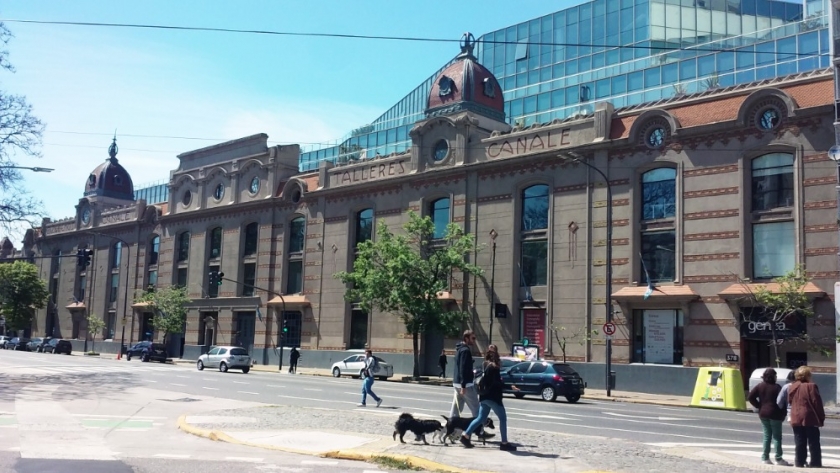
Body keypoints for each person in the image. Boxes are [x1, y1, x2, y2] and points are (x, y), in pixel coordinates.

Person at [460, 351, 517, 451]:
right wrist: (509, 387)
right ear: (496, 358)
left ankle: (465, 436)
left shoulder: (484, 366)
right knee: (503, 418)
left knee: (481, 418)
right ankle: (504, 443)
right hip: (493, 398)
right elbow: (497, 384)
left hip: (484, 396)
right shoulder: (494, 368)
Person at [449, 330, 493, 439]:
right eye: (473, 338)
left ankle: (452, 432)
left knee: (456, 410)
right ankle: (480, 432)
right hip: (466, 385)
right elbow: (463, 368)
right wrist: (464, 385)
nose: (474, 340)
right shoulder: (465, 351)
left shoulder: (459, 349)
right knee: (477, 410)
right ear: (466, 338)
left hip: (457, 383)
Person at [747, 368, 789, 466]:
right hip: (775, 414)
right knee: (777, 437)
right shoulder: (777, 387)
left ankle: (765, 457)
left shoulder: (760, 386)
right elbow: (782, 401)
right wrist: (783, 413)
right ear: (773, 376)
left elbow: (750, 397)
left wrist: (758, 406)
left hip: (763, 413)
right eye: (775, 376)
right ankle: (778, 458)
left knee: (767, 436)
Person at [787, 366, 825, 468]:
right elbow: (816, 402)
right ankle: (815, 462)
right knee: (813, 441)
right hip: (809, 416)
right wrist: (821, 417)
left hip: (795, 415)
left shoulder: (792, 387)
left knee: (799, 441)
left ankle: (799, 462)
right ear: (808, 375)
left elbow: (790, 401)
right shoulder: (811, 386)